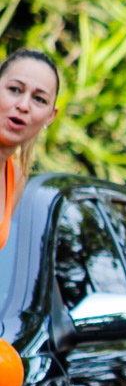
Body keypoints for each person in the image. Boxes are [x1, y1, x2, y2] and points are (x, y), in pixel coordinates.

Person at [0, 49, 60, 251]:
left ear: (51, 116)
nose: (24, 105)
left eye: (39, 99)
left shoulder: (15, 178)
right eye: (15, 89)